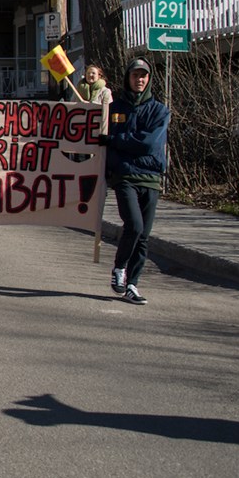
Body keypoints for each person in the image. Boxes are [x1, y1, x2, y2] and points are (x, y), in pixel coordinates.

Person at [101, 58, 169, 305]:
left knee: (144, 237)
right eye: (135, 75)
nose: (139, 79)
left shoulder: (160, 111)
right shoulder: (115, 108)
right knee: (135, 226)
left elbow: (150, 144)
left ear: (149, 79)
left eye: (144, 75)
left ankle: (132, 285)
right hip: (125, 178)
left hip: (151, 179)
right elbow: (104, 137)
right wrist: (121, 144)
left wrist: (118, 141)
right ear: (127, 78)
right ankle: (120, 268)